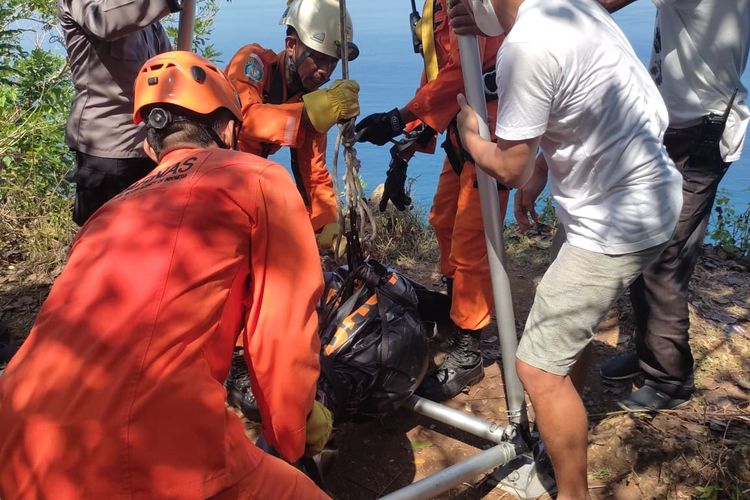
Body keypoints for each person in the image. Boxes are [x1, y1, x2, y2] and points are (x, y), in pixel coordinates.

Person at [0, 51, 331, 499]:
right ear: (231, 129)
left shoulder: (108, 212)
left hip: (17, 439)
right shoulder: (256, 179)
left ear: (150, 147)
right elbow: (281, 328)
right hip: (142, 450)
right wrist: (293, 427)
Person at [450, 0, 682, 497]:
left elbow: (508, 165)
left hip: (615, 223)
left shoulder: (527, 46)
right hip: (645, 193)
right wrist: (536, 185)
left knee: (535, 368)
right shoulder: (572, 8)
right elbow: (567, 121)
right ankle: (557, 437)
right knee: (559, 348)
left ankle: (569, 490)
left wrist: (472, 137)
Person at [597, 0, 750, 412]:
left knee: (665, 255)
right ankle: (648, 352)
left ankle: (671, 379)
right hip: (677, 125)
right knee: (643, 242)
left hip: (698, 132)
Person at [354, 0, 508, 401]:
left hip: (493, 133)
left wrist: (399, 115)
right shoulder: (434, 5)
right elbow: (436, 70)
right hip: (461, 133)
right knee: (443, 220)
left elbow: (469, 69)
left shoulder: (476, 4)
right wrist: (411, 138)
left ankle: (470, 349)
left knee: (473, 241)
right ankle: (459, 312)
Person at [224, 0, 360, 249]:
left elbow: (314, 173)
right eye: (318, 59)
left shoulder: (308, 102)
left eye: (332, 62)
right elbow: (244, 120)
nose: (325, 72)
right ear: (291, 45)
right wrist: (311, 112)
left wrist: (328, 223)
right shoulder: (253, 62)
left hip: (247, 187)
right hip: (215, 178)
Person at [58, 0, 177, 226]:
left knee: (146, 238)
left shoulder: (146, 22)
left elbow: (167, 65)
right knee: (101, 243)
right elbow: (105, 21)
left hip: (149, 148)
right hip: (108, 153)